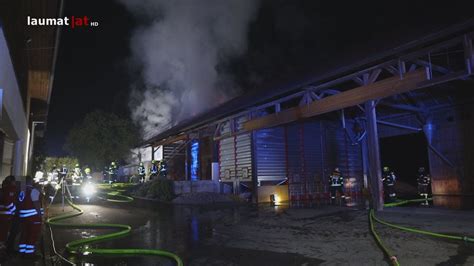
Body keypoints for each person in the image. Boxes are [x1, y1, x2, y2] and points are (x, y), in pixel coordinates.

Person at [17, 176, 43, 257]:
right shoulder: (34, 191)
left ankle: (22, 252)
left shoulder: (22, 191)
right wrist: (40, 215)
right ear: (30, 181)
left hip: (23, 217)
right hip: (33, 217)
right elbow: (36, 204)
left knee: (24, 234)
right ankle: (29, 253)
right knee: (32, 234)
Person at [0, 176, 16, 252]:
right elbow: (8, 203)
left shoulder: (2, 189)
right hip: (5, 214)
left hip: (3, 213)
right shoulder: (9, 189)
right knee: (4, 230)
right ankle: (2, 246)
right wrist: (14, 211)